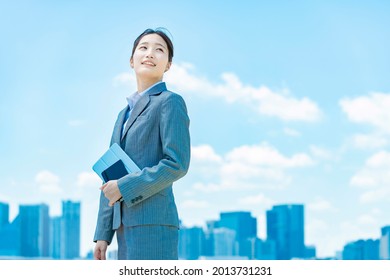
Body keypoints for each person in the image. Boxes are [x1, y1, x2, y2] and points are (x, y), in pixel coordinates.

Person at [93, 28, 191, 260]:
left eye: (160, 50)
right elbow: (111, 177)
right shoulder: (122, 115)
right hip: (123, 229)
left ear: (168, 65)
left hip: (154, 228)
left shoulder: (170, 102)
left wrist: (124, 187)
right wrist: (102, 234)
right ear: (131, 60)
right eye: (143, 48)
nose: (150, 54)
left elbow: (176, 164)